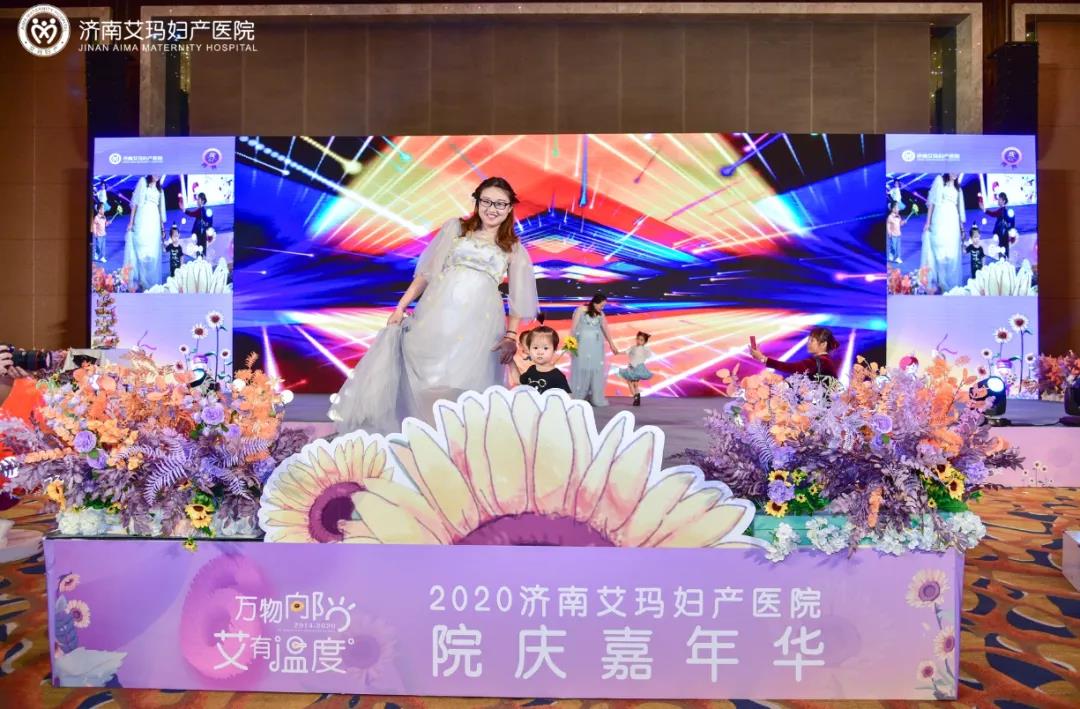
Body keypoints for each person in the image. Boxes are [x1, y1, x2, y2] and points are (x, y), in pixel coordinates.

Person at [330, 177, 538, 434]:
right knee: (430, 377)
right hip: (438, 316)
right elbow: (425, 274)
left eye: (500, 203)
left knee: (463, 381)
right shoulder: (456, 229)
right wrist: (401, 307)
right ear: (477, 202)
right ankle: (423, 435)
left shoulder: (513, 248)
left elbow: (517, 298)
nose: (492, 208)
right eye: (486, 201)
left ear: (509, 208)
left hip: (480, 325)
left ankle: (453, 440)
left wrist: (511, 335)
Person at [570, 292, 620, 406]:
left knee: (595, 369)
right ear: (595, 303)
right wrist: (570, 346)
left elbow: (606, 330)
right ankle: (579, 395)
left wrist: (612, 345)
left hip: (596, 346)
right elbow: (573, 328)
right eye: (601, 305)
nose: (602, 308)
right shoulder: (581, 310)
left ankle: (594, 396)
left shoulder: (601, 314)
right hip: (582, 345)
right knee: (582, 368)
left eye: (604, 306)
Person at [920, 173, 965, 293]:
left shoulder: (958, 189)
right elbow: (932, 203)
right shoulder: (939, 181)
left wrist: (961, 228)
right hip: (940, 219)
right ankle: (941, 281)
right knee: (939, 252)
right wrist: (928, 222)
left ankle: (948, 282)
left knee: (951, 254)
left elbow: (959, 209)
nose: (955, 173)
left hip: (953, 222)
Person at [750, 327, 840, 381]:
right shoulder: (826, 361)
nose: (808, 343)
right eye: (808, 340)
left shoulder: (820, 361)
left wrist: (762, 358)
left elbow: (790, 367)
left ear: (823, 344)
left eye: (812, 340)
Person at [125, 174, 167, 291]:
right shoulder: (143, 182)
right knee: (140, 249)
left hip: (154, 223)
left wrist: (162, 229)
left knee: (152, 253)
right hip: (142, 219)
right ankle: (140, 280)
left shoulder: (160, 190)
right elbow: (135, 204)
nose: (157, 175)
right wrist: (131, 222)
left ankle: (148, 282)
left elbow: (160, 211)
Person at [512, 326, 571, 394]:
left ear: (555, 349)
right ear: (529, 349)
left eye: (545, 348)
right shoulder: (531, 370)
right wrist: (511, 361)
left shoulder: (557, 376)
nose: (540, 352)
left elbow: (566, 397)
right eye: (535, 348)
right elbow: (518, 381)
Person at [618, 331, 655, 406]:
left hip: (638, 367)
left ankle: (636, 397)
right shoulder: (633, 347)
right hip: (632, 367)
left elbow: (647, 355)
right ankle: (636, 398)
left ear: (644, 342)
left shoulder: (644, 349)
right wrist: (617, 352)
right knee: (633, 383)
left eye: (641, 340)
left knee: (633, 383)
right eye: (638, 339)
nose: (639, 341)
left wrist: (645, 349)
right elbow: (626, 351)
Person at [981, 191, 1017, 263]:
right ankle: (1005, 263)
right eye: (998, 199)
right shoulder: (1005, 211)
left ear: (1004, 201)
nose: (998, 201)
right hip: (1005, 234)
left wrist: (984, 210)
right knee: (1004, 249)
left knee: (1002, 249)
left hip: (1002, 233)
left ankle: (1003, 263)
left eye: (1000, 199)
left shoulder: (1002, 211)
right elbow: (1012, 224)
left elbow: (993, 214)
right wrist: (1012, 235)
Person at [180, 191, 214, 258]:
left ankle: (201, 262)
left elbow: (192, 214)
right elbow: (192, 214)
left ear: (202, 201)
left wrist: (184, 210)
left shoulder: (202, 211)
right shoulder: (202, 210)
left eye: (198, 199)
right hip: (201, 235)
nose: (197, 201)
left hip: (201, 235)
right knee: (201, 251)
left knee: (200, 252)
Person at [886, 200, 908, 265]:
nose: (898, 208)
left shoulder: (898, 216)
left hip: (898, 234)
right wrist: (889, 232)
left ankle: (897, 258)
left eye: (898, 207)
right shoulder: (890, 217)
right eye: (897, 207)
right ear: (893, 209)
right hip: (893, 235)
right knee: (893, 246)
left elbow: (900, 224)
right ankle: (891, 254)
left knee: (898, 247)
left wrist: (903, 222)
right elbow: (888, 225)